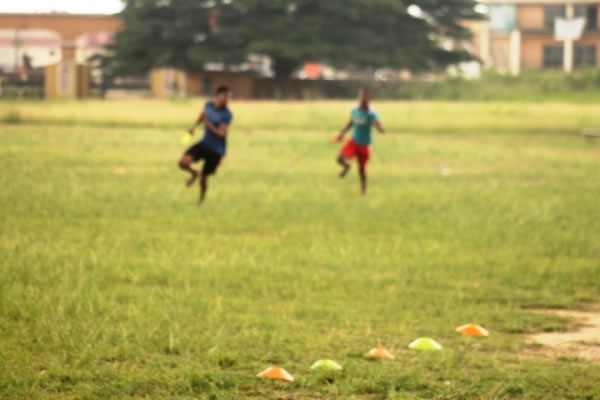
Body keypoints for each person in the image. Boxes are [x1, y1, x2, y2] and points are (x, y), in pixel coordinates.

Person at [178, 86, 233, 204]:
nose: (227, 99)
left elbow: (221, 134)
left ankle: (201, 200)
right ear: (218, 96)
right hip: (204, 144)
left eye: (229, 97)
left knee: (204, 177)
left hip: (216, 150)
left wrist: (208, 123)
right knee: (183, 162)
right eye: (225, 96)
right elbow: (202, 117)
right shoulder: (208, 106)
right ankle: (195, 173)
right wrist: (193, 128)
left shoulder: (227, 114)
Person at [334, 89, 385, 195]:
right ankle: (347, 166)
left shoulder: (372, 113)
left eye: (365, 97)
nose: (363, 99)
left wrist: (377, 126)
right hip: (354, 141)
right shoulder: (354, 110)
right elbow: (351, 122)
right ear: (359, 98)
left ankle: (364, 188)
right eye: (361, 97)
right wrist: (342, 133)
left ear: (369, 99)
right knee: (340, 158)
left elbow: (381, 128)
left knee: (362, 170)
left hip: (365, 145)